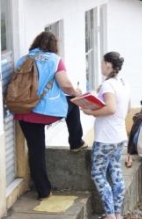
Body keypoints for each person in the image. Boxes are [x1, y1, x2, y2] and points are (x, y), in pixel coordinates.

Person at [14, 31, 82, 200]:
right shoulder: (54, 60)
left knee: (36, 151)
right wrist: (77, 91)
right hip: (45, 111)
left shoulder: (23, 60)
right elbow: (65, 85)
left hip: (23, 111)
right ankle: (75, 142)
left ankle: (43, 191)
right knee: (73, 103)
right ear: (53, 46)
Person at [82, 52, 130, 219]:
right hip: (119, 135)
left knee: (98, 174)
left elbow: (110, 109)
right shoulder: (122, 84)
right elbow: (125, 109)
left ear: (109, 65)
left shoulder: (108, 85)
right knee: (116, 172)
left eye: (102, 63)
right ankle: (117, 213)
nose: (101, 66)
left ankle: (109, 214)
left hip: (105, 137)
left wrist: (90, 111)